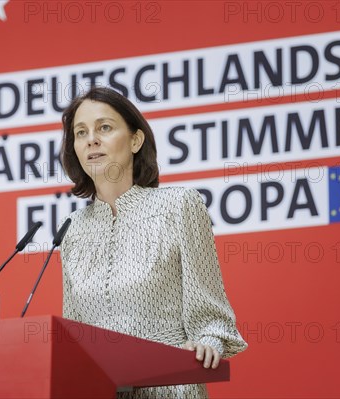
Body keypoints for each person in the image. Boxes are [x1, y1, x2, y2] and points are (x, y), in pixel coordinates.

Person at [59, 87, 247, 398]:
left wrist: (207, 344)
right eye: (81, 132)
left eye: (104, 127)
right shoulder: (73, 229)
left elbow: (211, 318)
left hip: (169, 386)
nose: (91, 139)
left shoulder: (179, 206)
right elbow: (75, 335)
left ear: (135, 140)